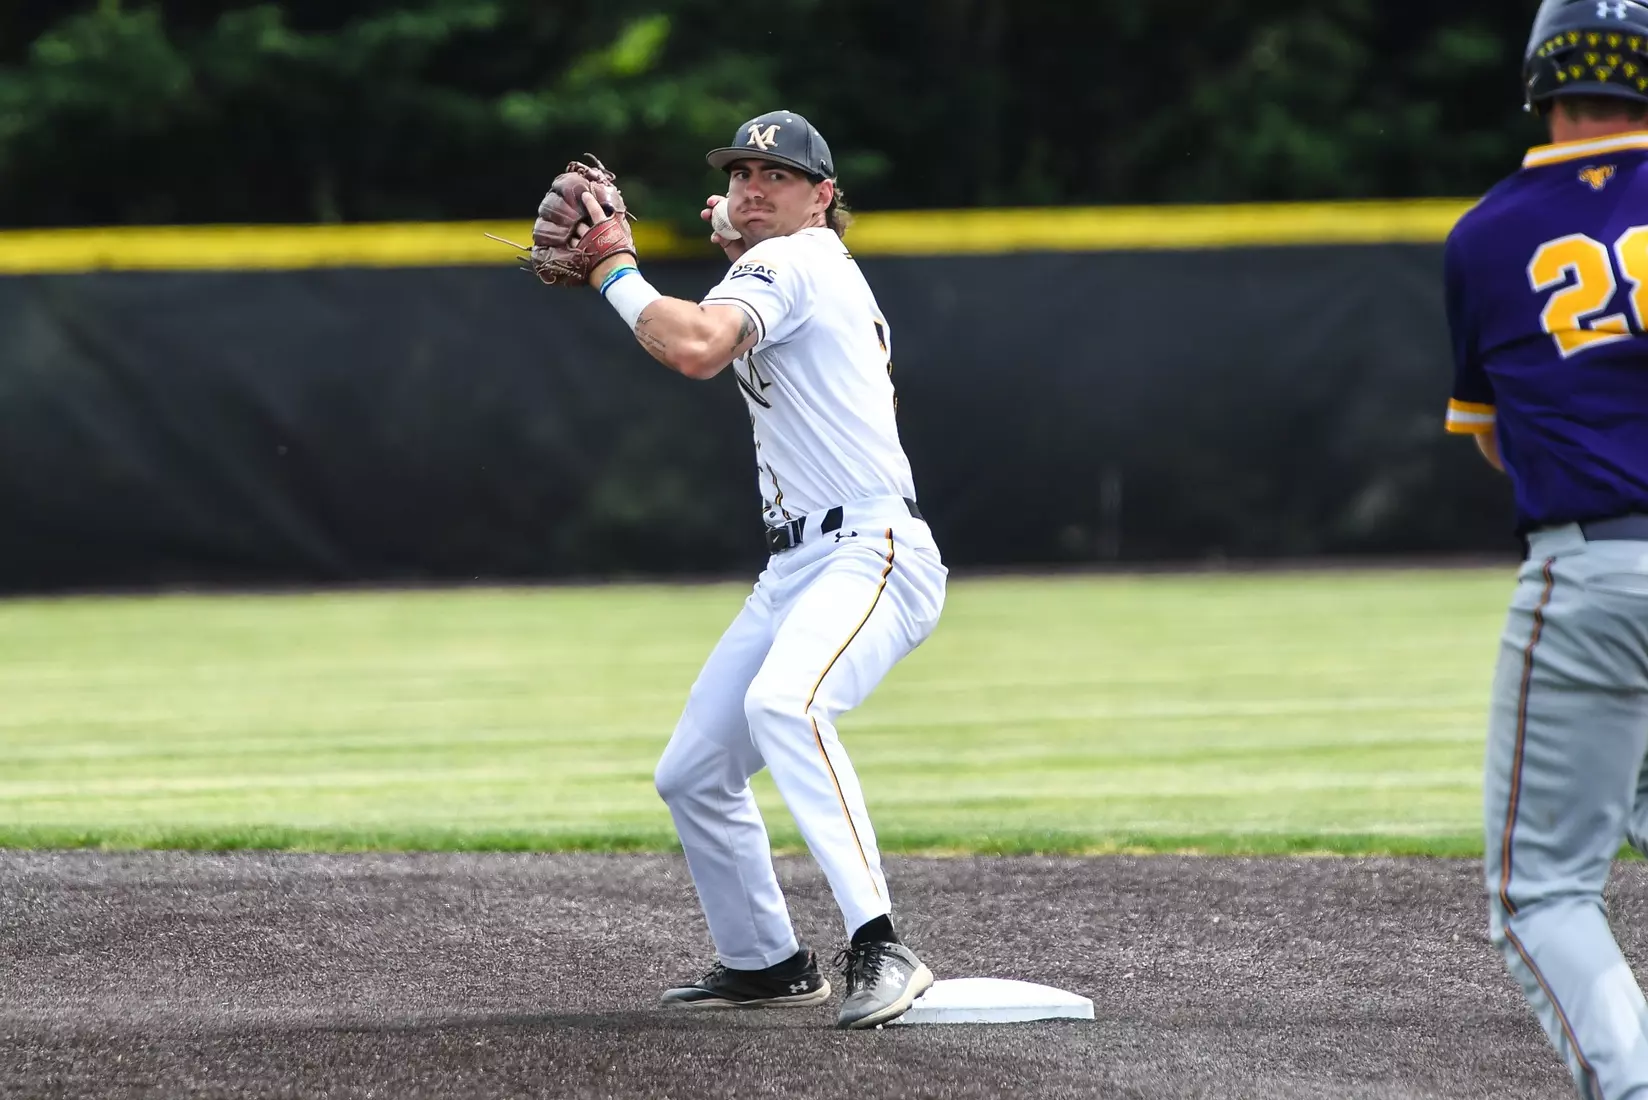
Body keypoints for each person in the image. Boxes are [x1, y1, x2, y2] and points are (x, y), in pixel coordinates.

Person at [569, 110, 945, 1030]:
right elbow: (719, 314)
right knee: (694, 771)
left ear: (823, 198)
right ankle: (766, 961)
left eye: (775, 176)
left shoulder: (801, 259)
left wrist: (614, 267)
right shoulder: (788, 263)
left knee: (787, 705)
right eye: (740, 174)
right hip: (798, 565)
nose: (751, 186)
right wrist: (734, 243)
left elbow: (695, 346)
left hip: (872, 550)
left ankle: (881, 943)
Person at [1445, 1, 1648, 1093]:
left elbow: (1494, 444)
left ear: (1541, 79)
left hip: (1596, 569)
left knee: (1543, 893)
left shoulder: (1486, 233)